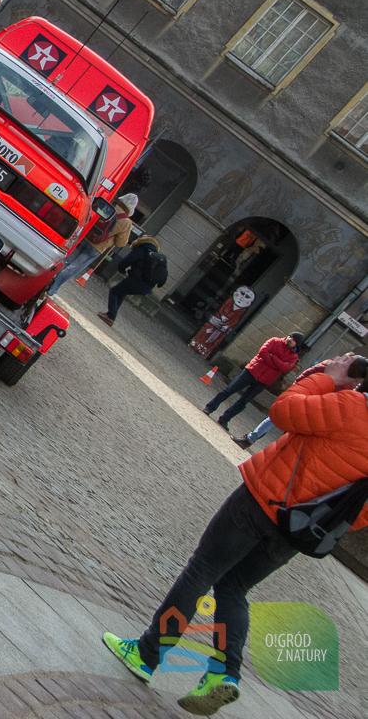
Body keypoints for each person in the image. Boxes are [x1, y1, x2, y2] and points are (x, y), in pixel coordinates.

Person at [103, 354, 368, 715]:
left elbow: (284, 410)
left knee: (202, 571)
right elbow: (358, 515)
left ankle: (147, 655)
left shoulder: (351, 407)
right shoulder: (346, 406)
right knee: (234, 588)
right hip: (296, 532)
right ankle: (223, 673)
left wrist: (327, 377)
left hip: (261, 502)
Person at [48, 193, 139, 297]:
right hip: (97, 247)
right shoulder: (126, 222)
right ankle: (53, 288)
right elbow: (120, 243)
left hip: (85, 236)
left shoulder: (108, 205)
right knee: (74, 267)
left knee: (65, 260)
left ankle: (47, 280)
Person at [205, 334, 304, 429]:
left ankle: (225, 419)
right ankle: (210, 407)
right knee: (229, 390)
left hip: (264, 380)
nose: (290, 339)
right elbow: (263, 352)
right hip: (252, 371)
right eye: (290, 336)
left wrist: (273, 357)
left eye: (294, 340)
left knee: (243, 401)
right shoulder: (274, 341)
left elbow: (285, 368)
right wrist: (276, 364)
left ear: (297, 344)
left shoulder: (293, 357)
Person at [99, 234, 167, 326]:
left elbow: (126, 262)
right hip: (147, 287)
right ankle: (109, 315)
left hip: (135, 280)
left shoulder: (141, 250)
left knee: (114, 292)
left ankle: (111, 316)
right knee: (121, 293)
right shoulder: (158, 257)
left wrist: (122, 269)